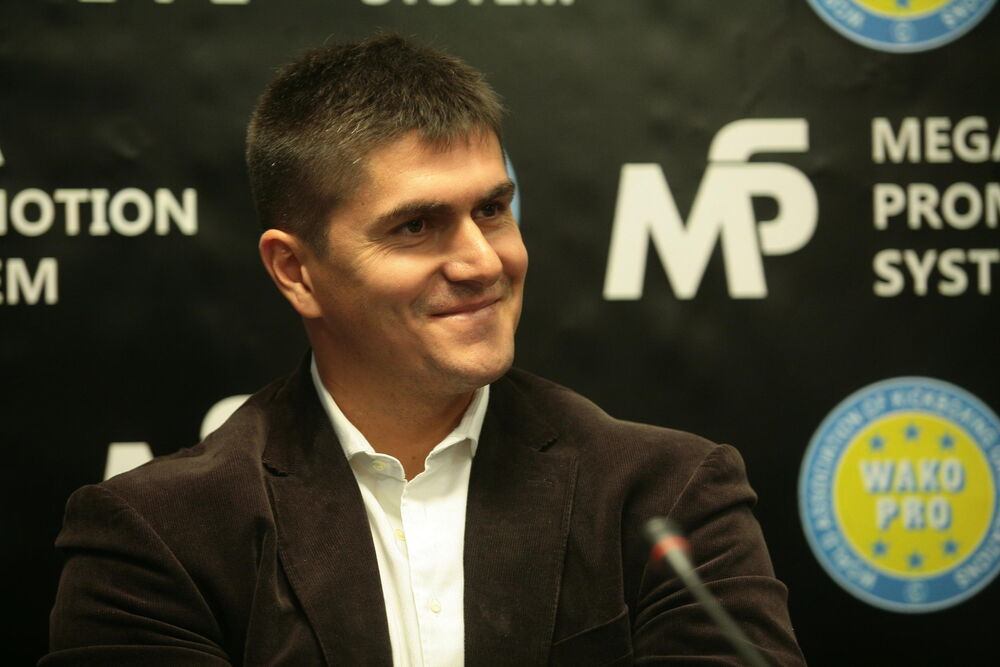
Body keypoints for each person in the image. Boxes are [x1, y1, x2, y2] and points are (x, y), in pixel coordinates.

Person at [43, 34, 805, 666]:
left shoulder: (670, 498)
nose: (482, 261)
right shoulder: (159, 536)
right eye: (416, 226)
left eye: (493, 209)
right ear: (296, 271)